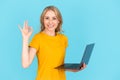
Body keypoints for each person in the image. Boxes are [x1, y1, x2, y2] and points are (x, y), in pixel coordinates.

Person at [18, 6, 86, 80]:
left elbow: (59, 66)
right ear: (43, 20)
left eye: (54, 18)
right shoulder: (38, 38)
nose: (50, 22)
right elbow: (25, 64)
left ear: (58, 21)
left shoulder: (63, 39)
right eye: (47, 18)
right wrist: (25, 38)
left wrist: (75, 69)